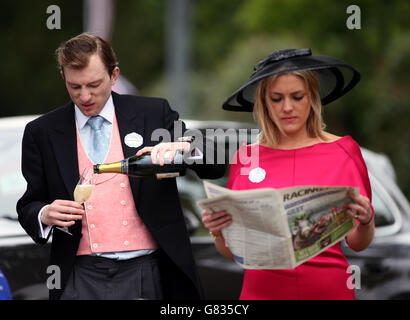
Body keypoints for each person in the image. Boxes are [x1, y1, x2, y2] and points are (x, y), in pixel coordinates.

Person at [16, 32, 225, 300]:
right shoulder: (41, 132)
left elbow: (216, 162)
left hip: (149, 269)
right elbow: (29, 204)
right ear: (64, 79)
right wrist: (44, 213)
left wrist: (185, 147)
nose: (85, 96)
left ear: (114, 75)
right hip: (78, 275)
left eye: (94, 84)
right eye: (74, 86)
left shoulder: (153, 113)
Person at [202, 48, 374, 300]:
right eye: (276, 98)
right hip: (260, 293)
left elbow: (358, 243)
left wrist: (367, 220)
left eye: (297, 97)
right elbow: (236, 254)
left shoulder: (343, 151)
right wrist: (217, 231)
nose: (287, 107)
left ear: (312, 98)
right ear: (264, 102)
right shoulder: (247, 156)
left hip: (328, 291)